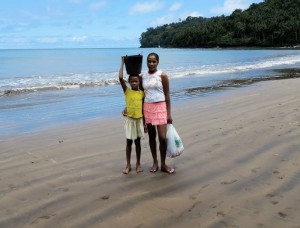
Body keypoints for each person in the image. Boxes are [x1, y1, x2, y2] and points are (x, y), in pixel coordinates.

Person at [142, 52, 175, 174]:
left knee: (162, 138)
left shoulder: (162, 75)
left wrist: (169, 114)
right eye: (149, 61)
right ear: (146, 62)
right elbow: (140, 95)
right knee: (151, 137)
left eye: (153, 61)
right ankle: (155, 162)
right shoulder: (143, 76)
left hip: (161, 107)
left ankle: (163, 164)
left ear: (157, 62)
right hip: (148, 108)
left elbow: (167, 95)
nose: (151, 63)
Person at [119, 56, 145, 174]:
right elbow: (120, 78)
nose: (134, 83)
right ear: (129, 82)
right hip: (129, 120)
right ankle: (128, 165)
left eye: (136, 81)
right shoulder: (127, 91)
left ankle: (138, 163)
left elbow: (144, 108)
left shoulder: (142, 93)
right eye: (132, 81)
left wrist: (144, 124)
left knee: (138, 143)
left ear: (139, 82)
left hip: (139, 120)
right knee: (129, 142)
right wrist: (123, 62)